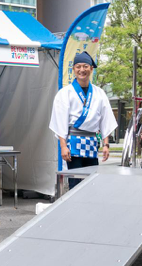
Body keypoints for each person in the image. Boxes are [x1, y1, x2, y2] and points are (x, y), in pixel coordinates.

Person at [49, 52, 118, 188]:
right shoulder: (65, 92)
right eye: (78, 67)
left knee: (92, 181)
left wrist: (106, 144)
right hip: (73, 142)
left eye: (85, 66)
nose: (82, 70)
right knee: (75, 182)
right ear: (73, 69)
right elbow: (60, 119)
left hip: (91, 143)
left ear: (91, 69)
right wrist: (63, 146)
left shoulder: (99, 93)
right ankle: (74, 208)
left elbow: (105, 119)